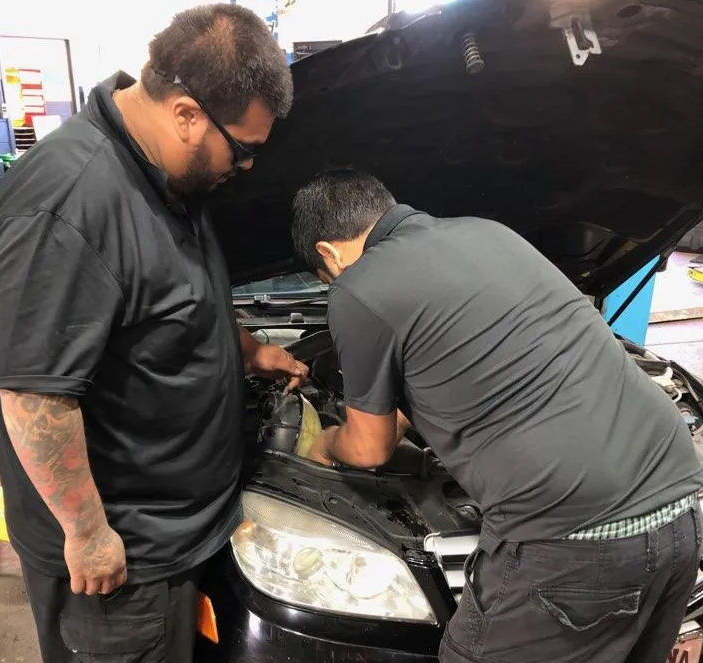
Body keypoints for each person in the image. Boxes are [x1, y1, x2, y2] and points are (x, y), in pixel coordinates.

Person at [0, 5, 307, 663]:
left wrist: (249, 352)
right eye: (242, 150)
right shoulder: (70, 201)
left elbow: (174, 301)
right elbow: (35, 394)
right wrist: (87, 530)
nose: (245, 169)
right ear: (187, 113)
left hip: (178, 531)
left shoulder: (163, 174)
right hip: (123, 563)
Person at [290, 169, 703, 663]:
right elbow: (477, 361)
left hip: (576, 541)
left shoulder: (357, 289)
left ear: (328, 254)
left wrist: (322, 443)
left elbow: (369, 448)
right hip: (679, 513)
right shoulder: (486, 231)